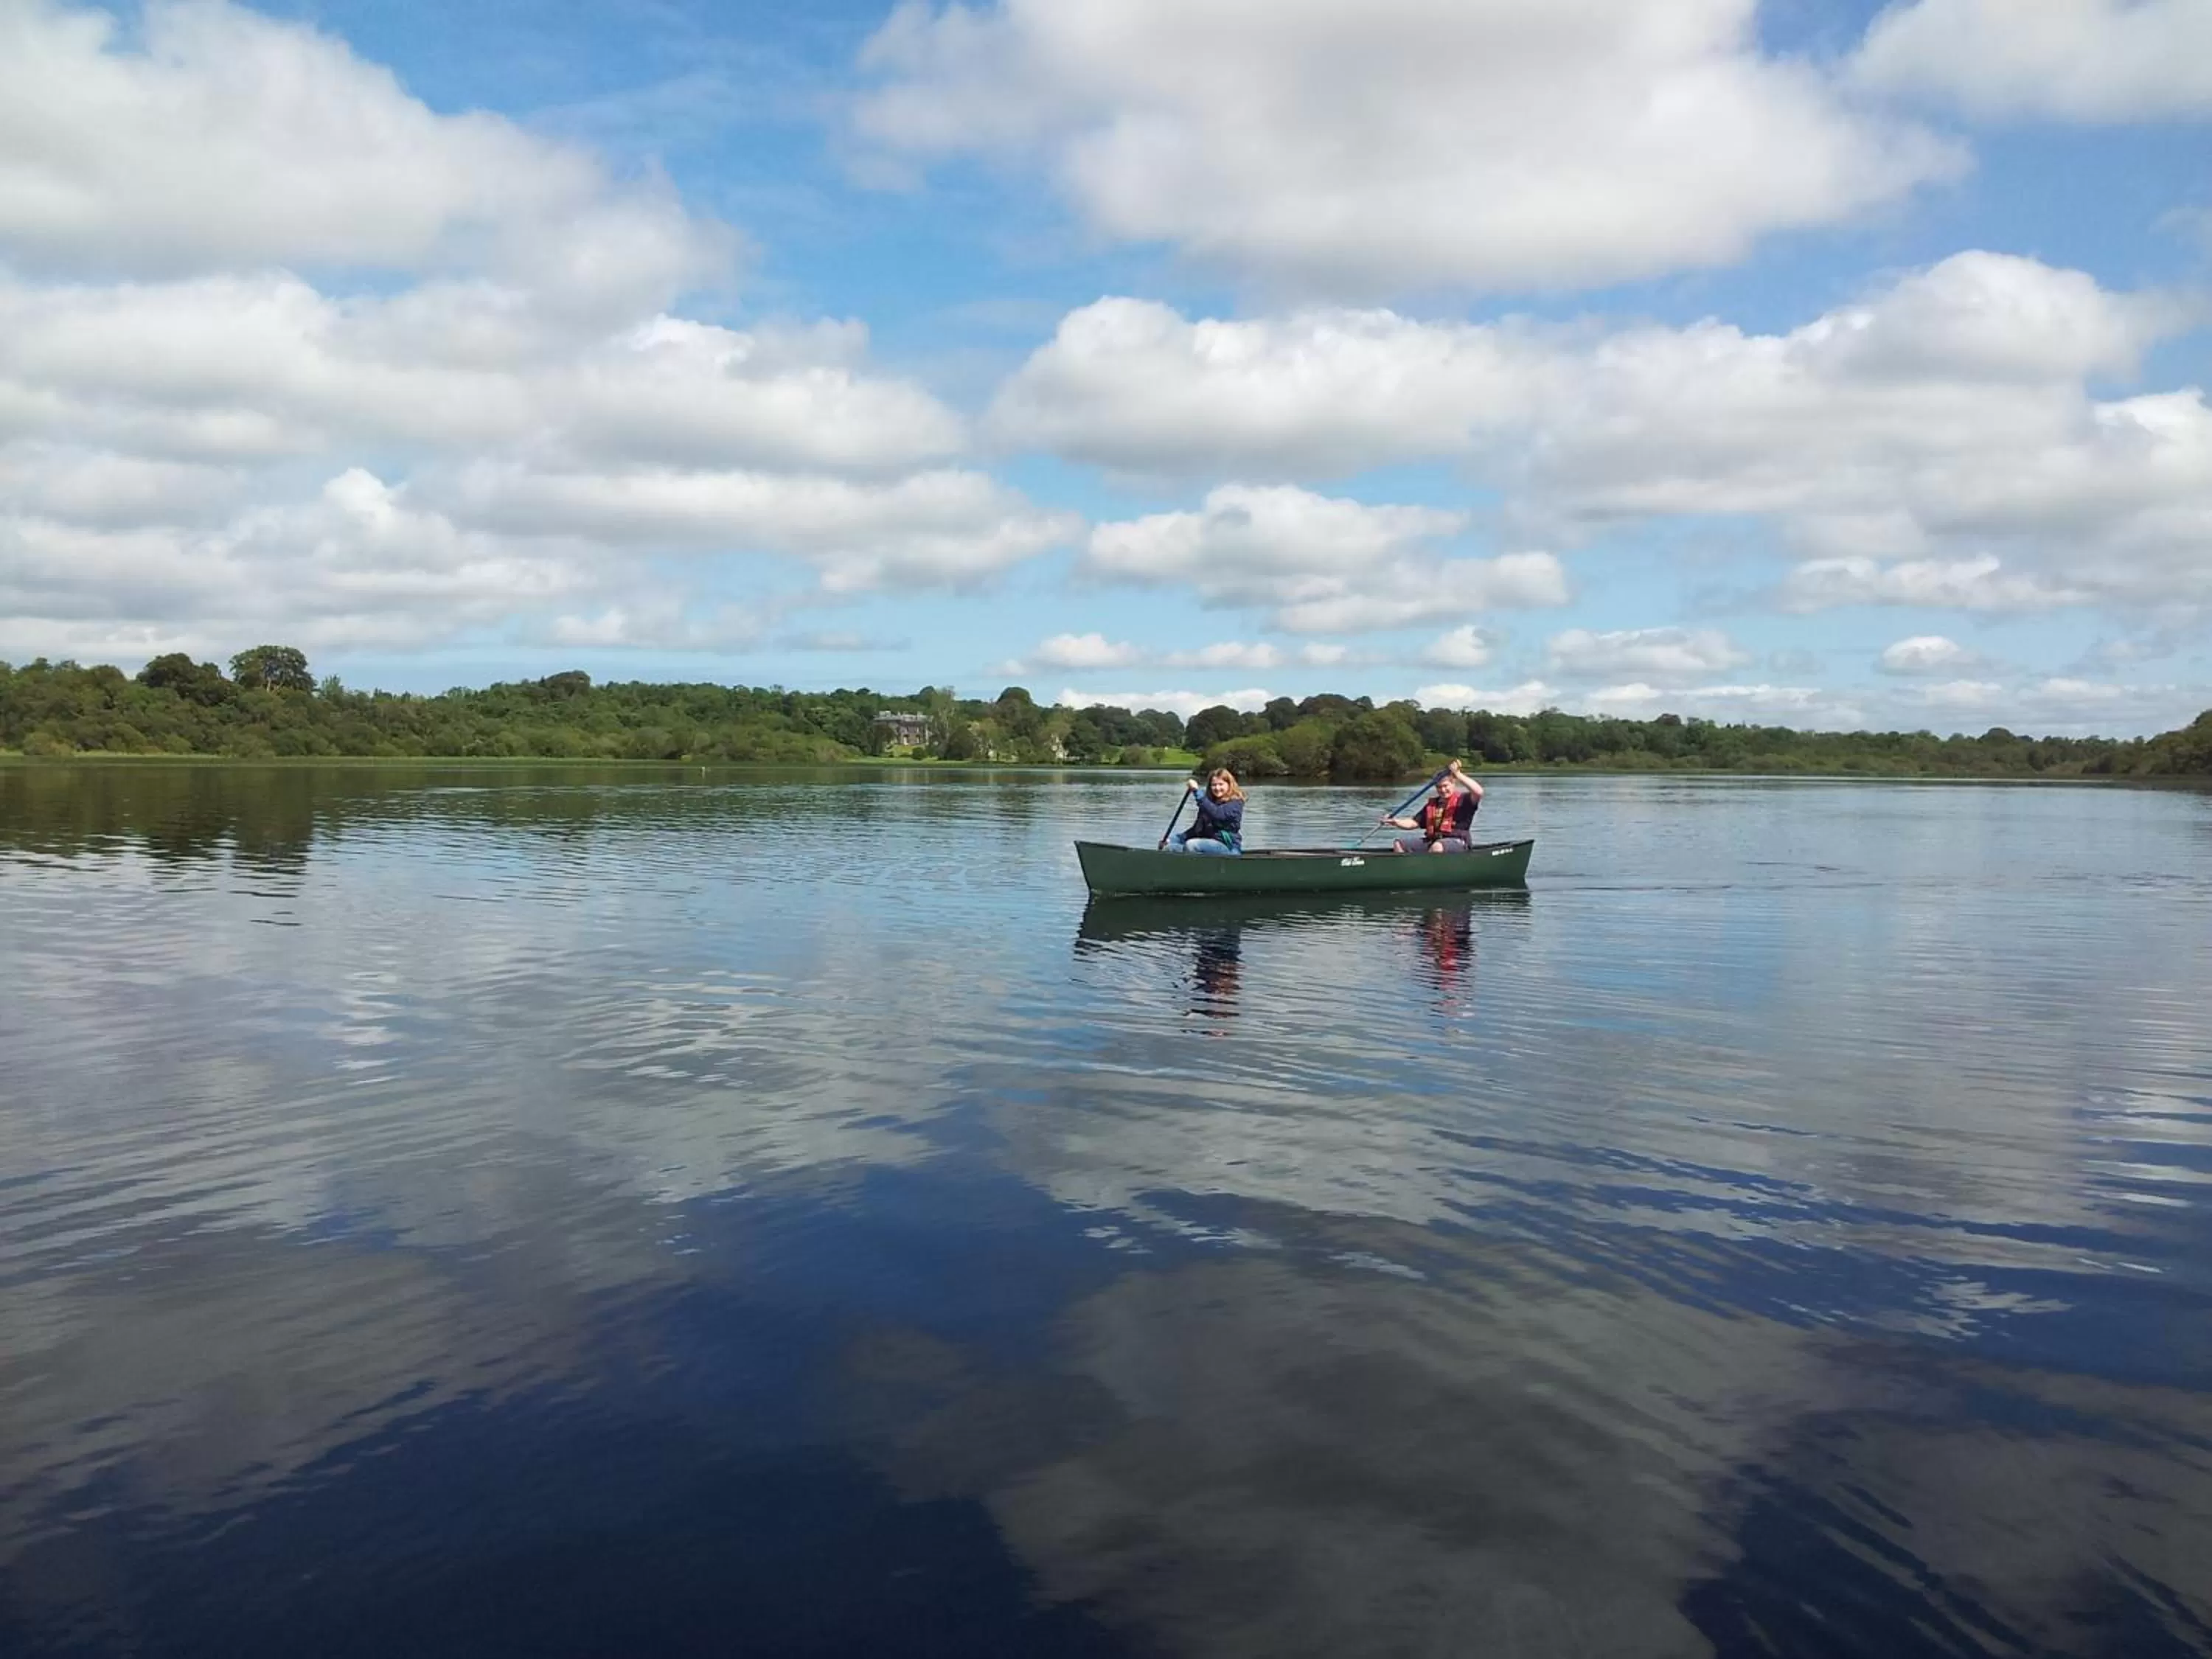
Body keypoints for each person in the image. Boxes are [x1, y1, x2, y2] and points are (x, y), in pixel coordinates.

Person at [1380, 759, 1481, 854]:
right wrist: (1395, 822)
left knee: (1437, 846)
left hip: (1458, 842)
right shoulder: (1433, 805)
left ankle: (1434, 866)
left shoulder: (1465, 800)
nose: (1443, 790)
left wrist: (1458, 774)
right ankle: (1408, 866)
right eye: (1439, 787)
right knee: (1399, 844)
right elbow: (1414, 823)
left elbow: (1478, 792)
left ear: (1453, 784)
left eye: (1445, 786)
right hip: (1433, 841)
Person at [1163, 768, 1245, 856]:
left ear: (1229, 785)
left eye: (1221, 784)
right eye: (1214, 785)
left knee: (1191, 845)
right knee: (1169, 848)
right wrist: (1173, 840)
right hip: (1206, 845)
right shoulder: (1207, 804)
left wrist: (1197, 791)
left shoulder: (1235, 803)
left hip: (1228, 848)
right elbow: (1196, 830)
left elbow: (1217, 814)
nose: (1217, 788)